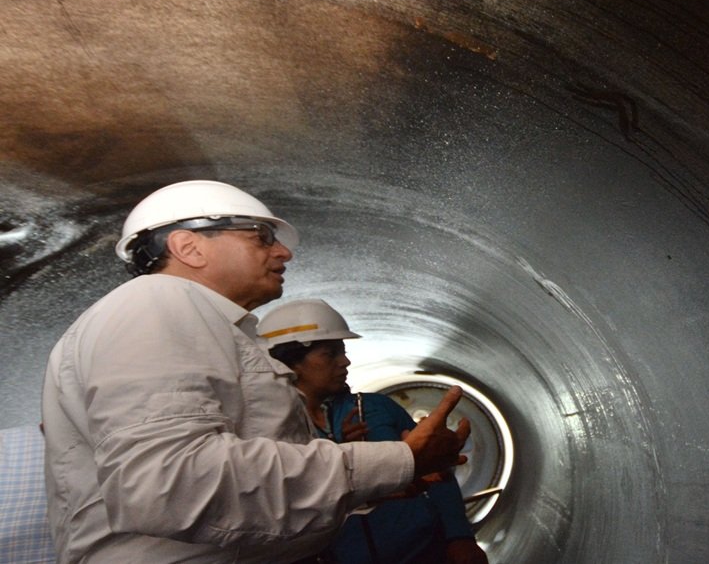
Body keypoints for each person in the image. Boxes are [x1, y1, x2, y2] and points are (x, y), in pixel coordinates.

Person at [40, 180, 470, 564]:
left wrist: (364, 491)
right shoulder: (154, 308)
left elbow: (234, 484)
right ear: (189, 247)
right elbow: (172, 485)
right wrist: (397, 460)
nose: (283, 251)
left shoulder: (209, 327)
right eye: (261, 238)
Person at [260, 299, 489, 564]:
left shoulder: (374, 408)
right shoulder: (277, 428)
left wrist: (460, 537)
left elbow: (437, 472)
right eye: (330, 353)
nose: (345, 361)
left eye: (342, 350)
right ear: (292, 362)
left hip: (425, 548)